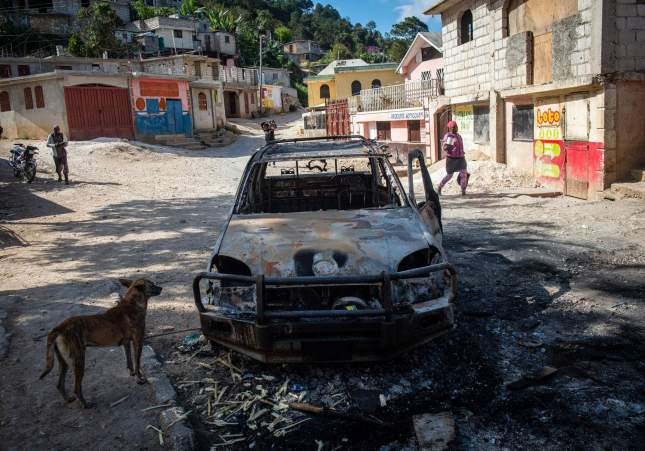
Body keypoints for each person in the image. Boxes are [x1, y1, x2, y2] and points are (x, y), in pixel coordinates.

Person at [438, 120, 468, 196]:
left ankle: (463, 190)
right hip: (451, 159)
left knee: (464, 173)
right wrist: (447, 145)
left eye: (456, 127)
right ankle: (440, 186)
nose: (455, 128)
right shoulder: (450, 136)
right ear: (450, 128)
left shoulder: (458, 136)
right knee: (449, 175)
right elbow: (446, 148)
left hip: (461, 158)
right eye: (454, 127)